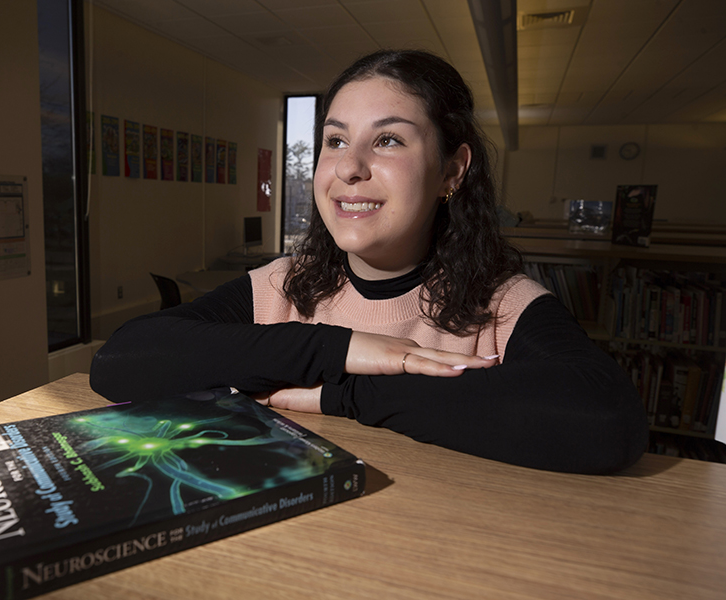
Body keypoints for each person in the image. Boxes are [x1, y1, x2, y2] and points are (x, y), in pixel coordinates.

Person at [91, 50, 648, 475]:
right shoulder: (282, 285)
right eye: (335, 140)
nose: (349, 167)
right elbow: (122, 360)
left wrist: (345, 395)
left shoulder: (502, 303)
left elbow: (606, 420)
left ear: (452, 172)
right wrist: (343, 349)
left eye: (388, 140)